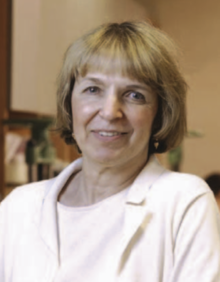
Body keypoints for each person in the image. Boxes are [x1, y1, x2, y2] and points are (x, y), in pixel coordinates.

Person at [0, 21, 220, 282]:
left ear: (160, 112)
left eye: (134, 95)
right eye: (93, 90)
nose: (109, 111)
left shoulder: (184, 203)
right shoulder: (19, 207)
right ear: (69, 102)